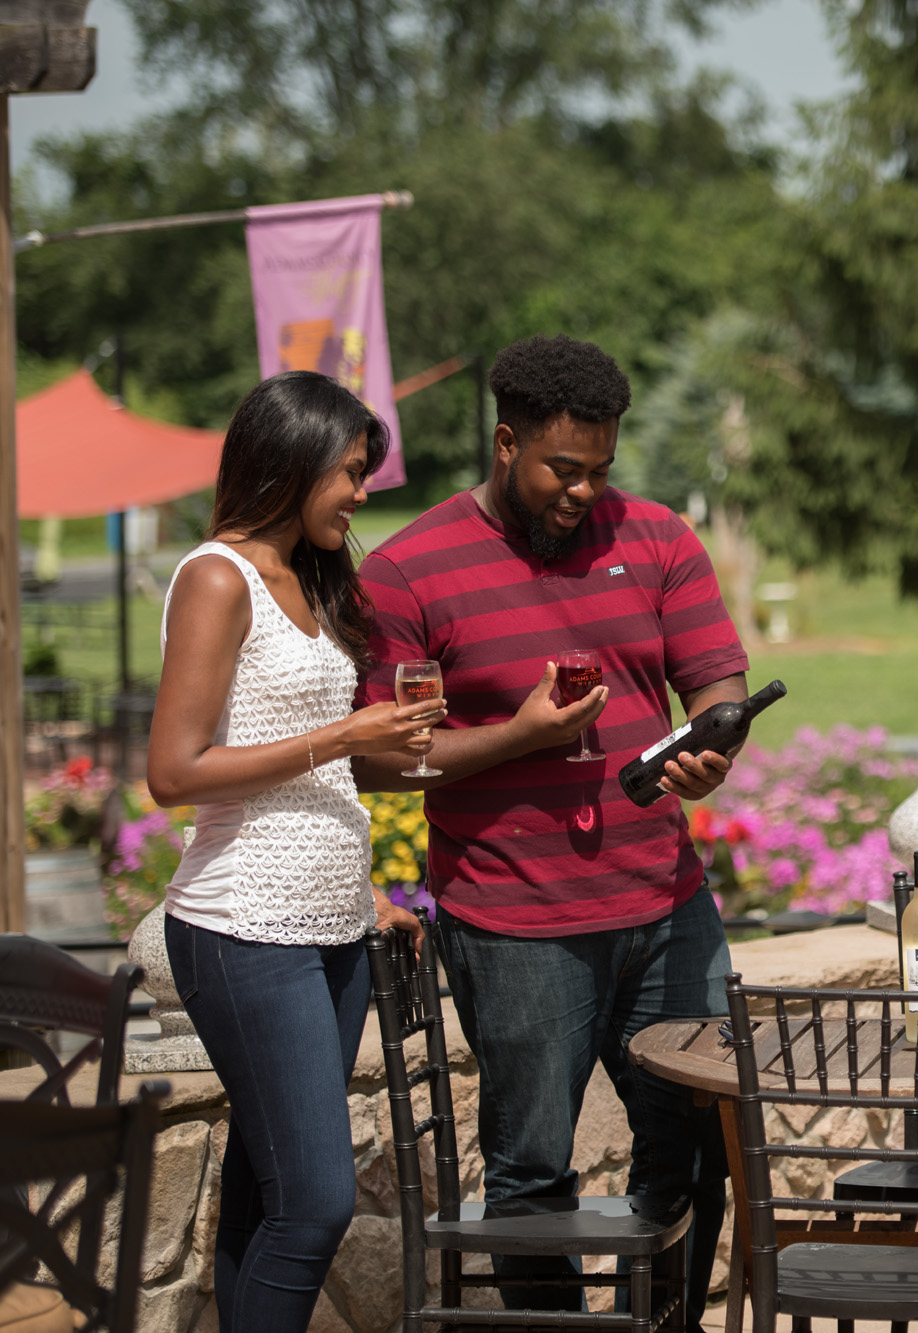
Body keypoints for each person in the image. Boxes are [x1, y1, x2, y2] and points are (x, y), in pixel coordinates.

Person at [351, 334, 748, 1317]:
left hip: (666, 906)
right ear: (503, 442)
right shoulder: (409, 574)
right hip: (513, 924)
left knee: (697, 1148)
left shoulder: (656, 539)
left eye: (600, 470)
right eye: (562, 469)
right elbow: (381, 760)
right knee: (529, 1173)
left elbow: (716, 683)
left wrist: (710, 748)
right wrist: (517, 736)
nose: (584, 491)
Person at [148, 372, 439, 1333]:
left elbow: (308, 773)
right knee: (317, 1202)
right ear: (295, 458)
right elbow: (176, 770)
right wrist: (350, 737)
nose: (361, 494)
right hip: (242, 930)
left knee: (264, 1195)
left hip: (330, 927)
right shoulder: (215, 575)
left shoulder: (305, 578)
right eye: (352, 472)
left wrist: (365, 901)